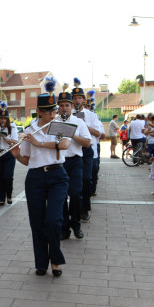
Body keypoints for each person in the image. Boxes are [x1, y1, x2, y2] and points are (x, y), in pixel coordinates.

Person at [10, 77, 70, 277]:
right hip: (35, 177)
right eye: (50, 111)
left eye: (55, 110)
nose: (54, 114)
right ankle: (41, 262)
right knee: (37, 221)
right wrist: (16, 154)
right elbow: (27, 160)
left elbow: (63, 146)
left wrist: (39, 143)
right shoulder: (29, 130)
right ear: (40, 112)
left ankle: (56, 260)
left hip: (57, 175)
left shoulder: (61, 124)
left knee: (53, 220)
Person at [56, 91, 91, 240]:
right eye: (61, 105)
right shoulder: (54, 122)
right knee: (61, 196)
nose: (64, 108)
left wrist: (71, 134)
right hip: (59, 162)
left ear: (71, 107)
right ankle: (64, 229)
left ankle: (75, 224)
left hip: (75, 161)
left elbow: (87, 143)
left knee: (76, 194)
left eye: (67, 105)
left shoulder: (79, 122)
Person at [71, 80, 94, 223]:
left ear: (83, 100)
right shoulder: (68, 113)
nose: (77, 100)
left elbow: (99, 134)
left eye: (79, 98)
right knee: (74, 185)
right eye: (74, 98)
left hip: (86, 150)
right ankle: (73, 210)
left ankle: (84, 209)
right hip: (72, 150)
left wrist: (85, 125)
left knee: (86, 179)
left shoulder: (91, 115)